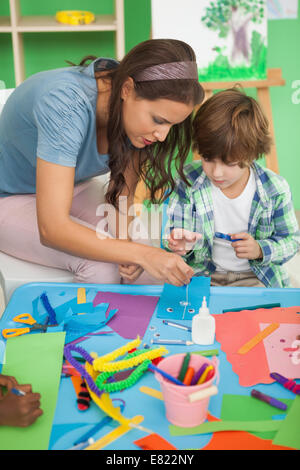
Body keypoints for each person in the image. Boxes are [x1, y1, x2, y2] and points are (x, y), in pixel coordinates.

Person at [0, 39, 204, 288]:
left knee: (140, 250)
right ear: (127, 89)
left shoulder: (131, 106)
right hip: (8, 197)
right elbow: (52, 228)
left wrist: (131, 249)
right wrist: (137, 254)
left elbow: (123, 192)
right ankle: (90, 325)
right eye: (158, 120)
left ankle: (141, 326)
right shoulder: (65, 106)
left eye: (172, 125)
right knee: (102, 266)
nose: (162, 135)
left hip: (72, 187)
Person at [163, 88, 300, 288]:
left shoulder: (275, 189)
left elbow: (291, 241)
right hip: (203, 276)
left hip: (257, 277)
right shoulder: (187, 181)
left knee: (264, 316)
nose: (217, 173)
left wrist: (260, 249)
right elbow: (176, 233)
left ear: (252, 154)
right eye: (208, 159)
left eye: (229, 163)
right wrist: (182, 244)